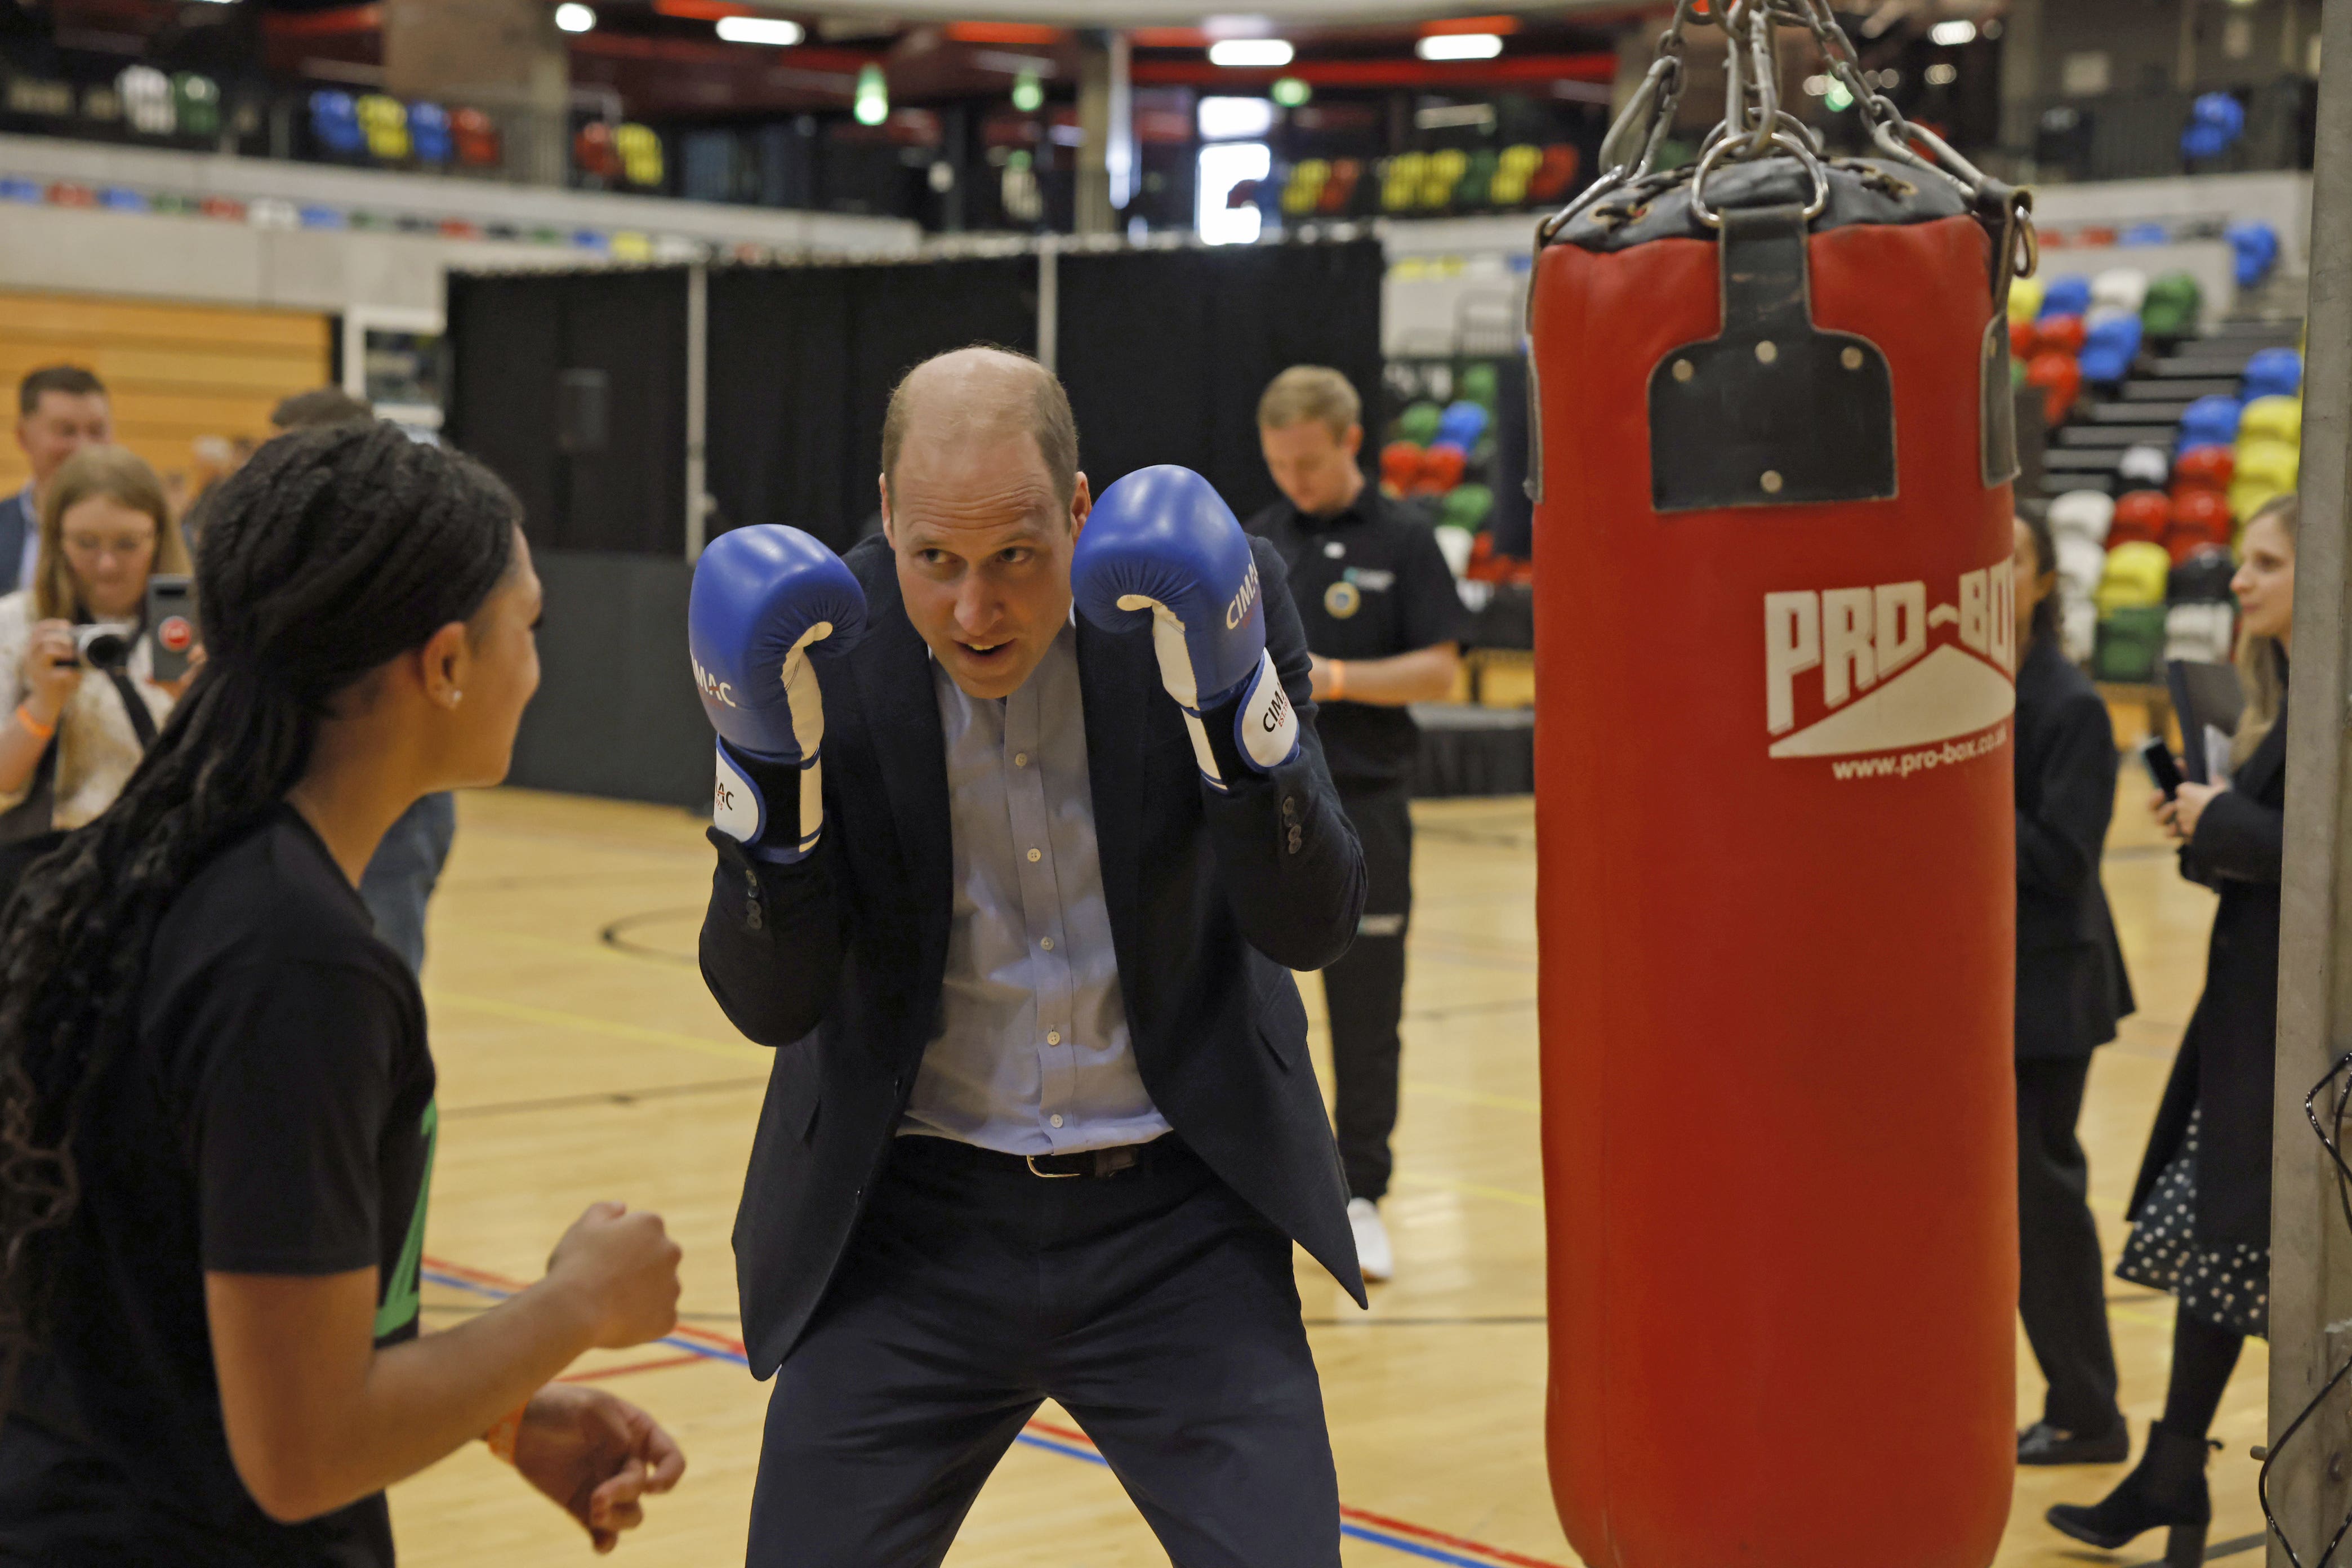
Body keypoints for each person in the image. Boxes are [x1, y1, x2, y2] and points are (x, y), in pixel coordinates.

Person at [695, 346, 1366, 1566]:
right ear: (888, 515)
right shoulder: (822, 646)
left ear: (1081, 511)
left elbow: (1311, 924)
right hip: (908, 1236)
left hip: (1182, 1227)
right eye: (933, 560)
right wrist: (767, 785)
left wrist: (1235, 721)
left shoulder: (1210, 592)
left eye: (1017, 557)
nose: (973, 609)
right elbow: (768, 1000)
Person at [0, 423, 687, 1564]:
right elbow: (304, 1453)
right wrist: (576, 1306)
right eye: (531, 624)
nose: (539, 663)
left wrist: (493, 1410)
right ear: (448, 663)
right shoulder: (293, 962)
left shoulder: (116, 883)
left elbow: (172, 1306)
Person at [2048, 494, 2297, 1565]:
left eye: (2266, 562)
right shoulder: (2281, 696)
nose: (2238, 581)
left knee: (2238, 1248)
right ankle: (2172, 1468)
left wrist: (2228, 820)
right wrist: (2203, 825)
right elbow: (2265, 857)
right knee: (2217, 1247)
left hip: (2305, 1037)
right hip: (2252, 1023)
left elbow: (2322, 854)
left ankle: (2176, 1470)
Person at [1244, 365, 1468, 1283]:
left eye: (1308, 461)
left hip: (1368, 799)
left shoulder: (1405, 539)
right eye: (1279, 463)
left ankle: (1361, 1192)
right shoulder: (1257, 541)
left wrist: (1330, 676)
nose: (1295, 479)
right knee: (1251, 1001)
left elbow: (1439, 671)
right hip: (1267, 802)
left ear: (1349, 443)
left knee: (1367, 1008)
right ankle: (1258, 1183)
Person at [2008, 509, 2136, 1466]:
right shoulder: (1964, 689)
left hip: (2051, 991)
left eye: (2011, 557)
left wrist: (1954, 801)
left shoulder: (2069, 704)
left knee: (2045, 1204)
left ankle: (2089, 1411)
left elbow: (2062, 861)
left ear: (2044, 580)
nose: (1991, 571)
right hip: (1986, 989)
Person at [266, 386, 452, 973]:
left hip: (388, 810)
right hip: (289, 798)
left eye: (289, 464)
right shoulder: (275, 550)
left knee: (374, 978)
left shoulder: (410, 557)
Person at [0, 446, 193, 843]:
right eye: (86, 543)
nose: (107, 564)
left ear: (159, 536)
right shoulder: (17, 622)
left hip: (169, 858)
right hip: (51, 866)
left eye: (128, 544)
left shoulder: (194, 626)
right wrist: (42, 707)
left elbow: (236, 779)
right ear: (56, 539)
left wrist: (195, 705)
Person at [1, 368, 112, 596]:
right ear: (23, 437)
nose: (84, 449)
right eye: (66, 431)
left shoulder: (149, 532)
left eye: (97, 431)